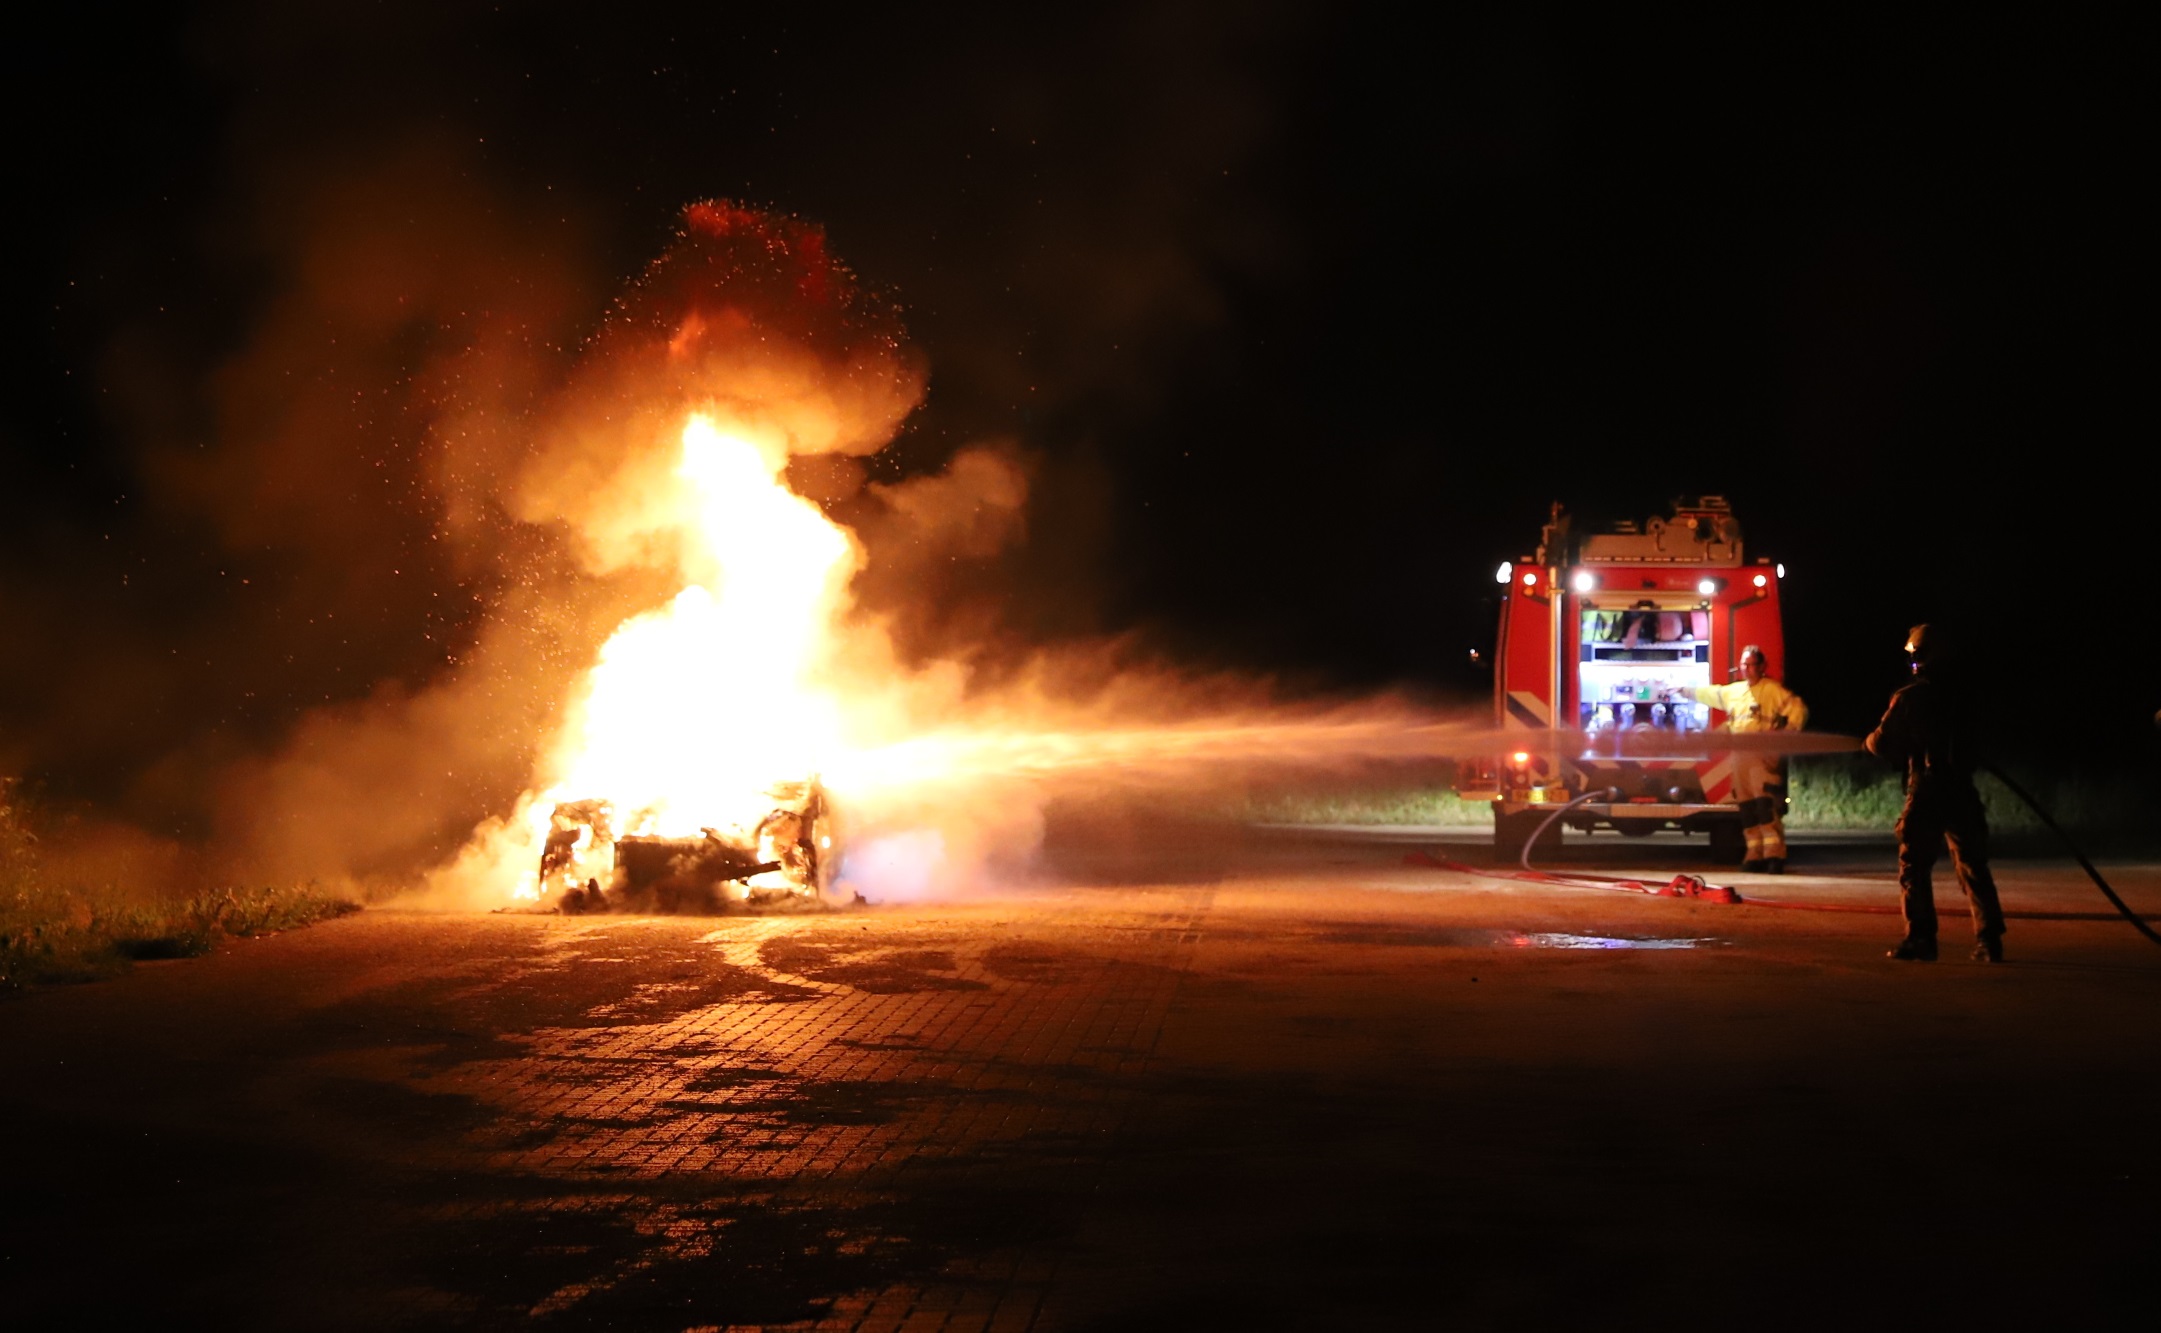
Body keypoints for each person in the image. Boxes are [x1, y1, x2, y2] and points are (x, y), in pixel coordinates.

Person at [1865, 623, 2006, 963]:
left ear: (1920, 656)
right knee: (1973, 864)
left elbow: (1882, 743)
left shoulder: (1910, 697)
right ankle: (1989, 941)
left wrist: (1868, 742)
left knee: (1913, 864)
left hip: (1927, 790)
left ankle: (1921, 939)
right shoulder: (1966, 697)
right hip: (1961, 788)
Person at [1687, 644, 1808, 872]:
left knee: (1765, 806)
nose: (1749, 669)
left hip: (1762, 757)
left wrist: (1785, 735)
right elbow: (1711, 693)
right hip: (1739, 758)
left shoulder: (1772, 690)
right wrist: (1683, 690)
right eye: (1745, 665)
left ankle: (1774, 855)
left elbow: (1798, 709)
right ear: (1740, 667)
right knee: (1746, 808)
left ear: (1762, 666)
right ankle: (1754, 854)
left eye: (1753, 665)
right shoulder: (1734, 691)